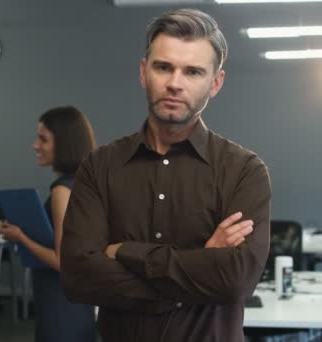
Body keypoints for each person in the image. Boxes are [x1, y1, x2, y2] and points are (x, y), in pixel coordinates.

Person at [60, 9, 271, 342]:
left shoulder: (244, 171)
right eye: (163, 67)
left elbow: (235, 281)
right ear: (144, 72)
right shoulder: (99, 166)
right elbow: (78, 276)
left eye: (193, 72)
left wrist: (126, 253)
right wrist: (200, 265)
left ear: (215, 83)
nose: (175, 83)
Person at [0, 106, 97, 342]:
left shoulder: (63, 190)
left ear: (64, 142)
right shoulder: (86, 183)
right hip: (77, 303)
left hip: (60, 304)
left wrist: (20, 237)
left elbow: (63, 261)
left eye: (43, 139)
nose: (35, 146)